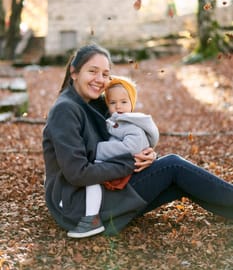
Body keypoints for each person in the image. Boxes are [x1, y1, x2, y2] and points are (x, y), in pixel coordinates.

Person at [42, 43, 233, 239]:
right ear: (74, 72)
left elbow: (125, 137)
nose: (100, 80)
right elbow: (77, 173)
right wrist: (132, 163)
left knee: (176, 181)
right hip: (78, 205)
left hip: (102, 187)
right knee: (173, 166)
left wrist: (147, 155)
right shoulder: (65, 110)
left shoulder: (96, 103)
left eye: (105, 74)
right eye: (93, 71)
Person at [67, 76, 160, 238]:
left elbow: (132, 147)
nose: (118, 106)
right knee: (91, 178)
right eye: (113, 102)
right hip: (118, 163)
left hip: (127, 167)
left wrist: (97, 150)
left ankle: (92, 219)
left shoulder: (131, 123)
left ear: (132, 103)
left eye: (124, 102)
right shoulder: (115, 121)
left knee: (92, 178)